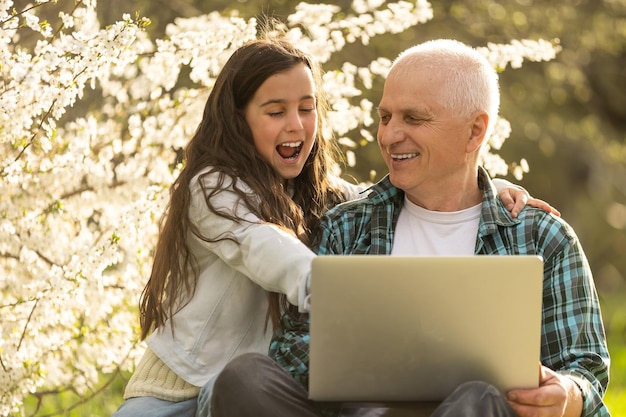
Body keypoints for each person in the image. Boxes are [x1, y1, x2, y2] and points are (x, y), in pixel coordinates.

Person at [113, 35, 556, 417]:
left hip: (255, 391)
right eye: (275, 111)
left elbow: (392, 193)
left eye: (307, 109)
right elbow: (260, 246)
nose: (296, 125)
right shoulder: (211, 190)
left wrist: (489, 187)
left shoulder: (323, 195)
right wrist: (332, 287)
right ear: (238, 117)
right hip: (179, 388)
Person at [210, 39, 611, 417]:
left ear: (475, 131)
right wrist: (379, 366)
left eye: (413, 118)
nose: (388, 135)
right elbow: (291, 350)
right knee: (246, 378)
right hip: (362, 412)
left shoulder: (542, 237)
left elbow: (586, 368)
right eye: (385, 117)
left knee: (478, 398)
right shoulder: (346, 226)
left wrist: (569, 395)